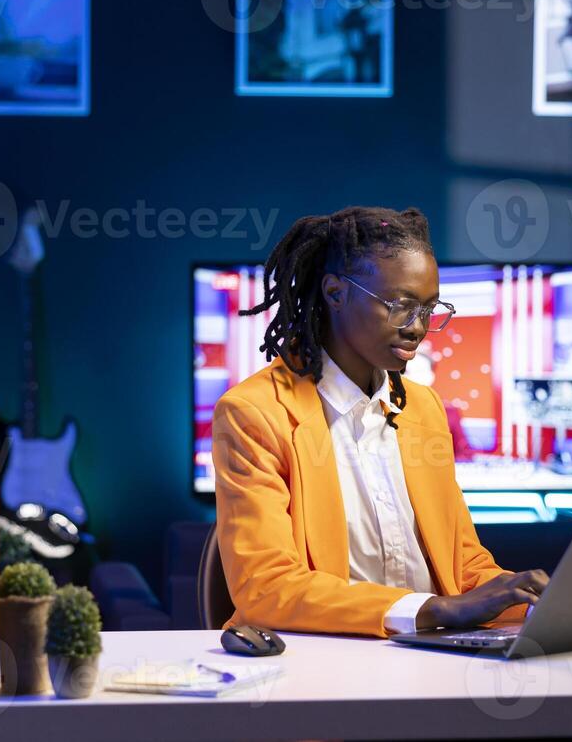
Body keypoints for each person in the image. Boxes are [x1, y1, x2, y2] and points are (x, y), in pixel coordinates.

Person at [211, 206, 548, 637]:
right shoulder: (254, 413)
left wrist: (535, 604)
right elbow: (267, 588)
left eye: (429, 309)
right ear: (335, 293)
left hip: (437, 657)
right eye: (401, 306)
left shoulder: (422, 407)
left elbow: (462, 566)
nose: (418, 327)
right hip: (320, 664)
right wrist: (435, 610)